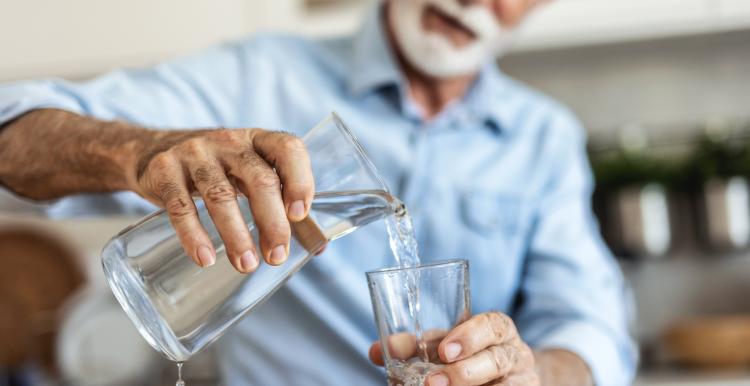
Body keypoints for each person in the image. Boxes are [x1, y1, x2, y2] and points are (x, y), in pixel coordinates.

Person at [0, 0, 637, 384]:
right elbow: (13, 129)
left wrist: (533, 372)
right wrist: (140, 151)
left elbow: (591, 325)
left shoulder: (544, 137)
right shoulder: (259, 77)